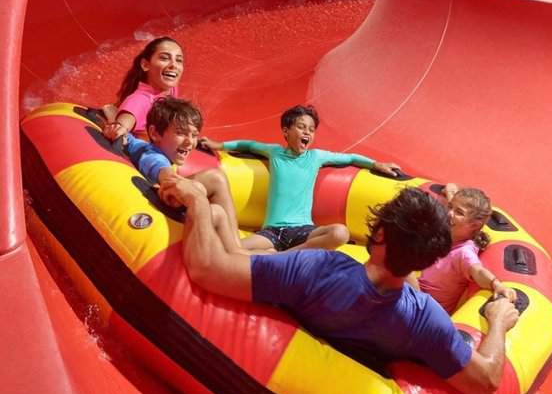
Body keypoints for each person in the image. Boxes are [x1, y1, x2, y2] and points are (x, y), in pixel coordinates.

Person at [159, 179, 519, 394]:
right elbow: (486, 382)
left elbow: (207, 268)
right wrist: (498, 320)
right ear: (426, 257)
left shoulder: (318, 268)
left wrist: (197, 201)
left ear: (378, 234)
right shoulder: (424, 319)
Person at [201, 104, 402, 252]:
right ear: (286, 131)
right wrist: (220, 145)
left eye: (311, 129)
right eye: (301, 127)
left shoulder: (316, 157)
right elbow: (248, 144)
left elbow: (350, 157)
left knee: (340, 233)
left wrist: (377, 164)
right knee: (230, 248)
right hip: (271, 232)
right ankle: (279, 255)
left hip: (303, 231)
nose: (307, 132)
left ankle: (284, 256)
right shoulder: (275, 152)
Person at [101, 37, 239, 247]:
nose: (174, 65)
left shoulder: (167, 92)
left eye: (179, 60)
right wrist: (115, 123)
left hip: (163, 160)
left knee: (214, 189)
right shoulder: (140, 100)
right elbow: (124, 125)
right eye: (165, 58)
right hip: (152, 174)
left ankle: (233, 243)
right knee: (216, 179)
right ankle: (235, 246)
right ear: (146, 64)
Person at [126, 95, 242, 254]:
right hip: (160, 203)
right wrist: (192, 190)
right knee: (214, 180)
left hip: (159, 195)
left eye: (194, 135)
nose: (190, 142)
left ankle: (236, 245)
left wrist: (117, 127)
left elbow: (130, 141)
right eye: (181, 133)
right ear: (154, 133)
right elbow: (165, 175)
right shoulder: (153, 156)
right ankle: (236, 249)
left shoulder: (141, 146)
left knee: (214, 181)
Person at [414, 186, 517, 314]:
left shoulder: (463, 252)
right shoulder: (449, 231)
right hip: (415, 296)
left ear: (474, 225)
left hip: (425, 311)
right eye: (450, 207)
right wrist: (450, 191)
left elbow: (478, 270)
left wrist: (496, 284)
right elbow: (453, 205)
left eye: (459, 212)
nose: (449, 213)